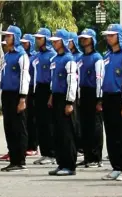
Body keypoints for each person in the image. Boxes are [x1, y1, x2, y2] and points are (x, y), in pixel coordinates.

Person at [98, 24, 122, 181]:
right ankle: (116, 166)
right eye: (107, 35)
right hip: (107, 97)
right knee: (111, 134)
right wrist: (100, 99)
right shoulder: (107, 56)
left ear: (119, 37)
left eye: (111, 35)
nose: (108, 38)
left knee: (121, 134)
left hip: (120, 98)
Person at [0, 26, 30, 172]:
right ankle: (13, 157)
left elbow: (24, 77)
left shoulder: (21, 55)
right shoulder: (7, 55)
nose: (6, 39)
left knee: (18, 127)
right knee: (9, 126)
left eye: (9, 36)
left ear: (15, 38)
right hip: (7, 94)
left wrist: (22, 98)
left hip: (17, 94)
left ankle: (20, 160)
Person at [47, 29, 78, 176]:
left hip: (66, 98)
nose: (53, 43)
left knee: (67, 133)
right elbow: (54, 80)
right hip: (56, 97)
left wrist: (70, 102)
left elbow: (72, 82)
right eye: (53, 41)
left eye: (56, 40)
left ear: (64, 42)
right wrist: (52, 96)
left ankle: (70, 165)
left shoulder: (69, 59)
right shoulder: (55, 59)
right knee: (57, 132)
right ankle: (61, 163)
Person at [76, 28, 104, 168]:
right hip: (84, 92)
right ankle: (87, 156)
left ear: (92, 40)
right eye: (81, 38)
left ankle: (96, 157)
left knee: (95, 126)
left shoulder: (97, 58)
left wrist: (99, 99)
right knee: (85, 126)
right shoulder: (81, 58)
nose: (83, 41)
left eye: (86, 38)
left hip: (94, 92)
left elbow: (99, 79)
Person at [30, 28, 57, 165]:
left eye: (40, 38)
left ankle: (52, 153)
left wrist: (52, 95)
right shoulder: (38, 55)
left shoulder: (52, 55)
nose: (37, 40)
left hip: (48, 89)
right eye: (36, 38)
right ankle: (45, 152)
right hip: (39, 89)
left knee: (48, 123)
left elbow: (53, 77)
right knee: (40, 122)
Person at [20, 33, 39, 156]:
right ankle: (25, 144)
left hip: (32, 88)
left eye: (26, 42)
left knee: (32, 118)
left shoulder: (34, 57)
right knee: (24, 119)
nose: (23, 44)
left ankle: (33, 145)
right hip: (24, 89)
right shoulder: (21, 56)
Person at [69, 32, 84, 157]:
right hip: (71, 91)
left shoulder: (79, 56)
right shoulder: (67, 57)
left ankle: (80, 146)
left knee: (78, 120)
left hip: (79, 90)